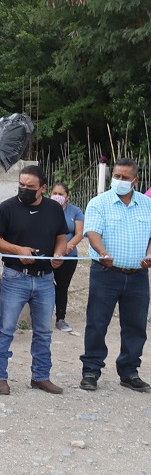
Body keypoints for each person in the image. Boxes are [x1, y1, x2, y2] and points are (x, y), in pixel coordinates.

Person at [0, 164, 67, 395]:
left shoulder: (54, 209)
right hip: (14, 278)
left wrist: (59, 254)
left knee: (43, 332)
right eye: (21, 185)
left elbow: (61, 237)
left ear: (42, 187)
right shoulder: (7, 208)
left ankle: (40, 377)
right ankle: (0, 378)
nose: (24, 189)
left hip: (45, 280)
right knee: (5, 330)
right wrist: (16, 249)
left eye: (29, 186)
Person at [79, 158, 151, 393]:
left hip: (138, 275)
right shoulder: (99, 203)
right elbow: (92, 232)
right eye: (116, 176)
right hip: (106, 272)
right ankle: (91, 370)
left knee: (136, 325)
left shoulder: (147, 204)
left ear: (135, 180)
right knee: (97, 323)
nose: (119, 181)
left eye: (124, 177)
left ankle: (129, 371)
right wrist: (102, 252)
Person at [49, 183, 84, 332]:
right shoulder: (46, 209)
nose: (57, 196)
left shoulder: (75, 211)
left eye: (61, 194)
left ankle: (60, 319)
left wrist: (66, 248)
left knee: (62, 287)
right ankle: (40, 318)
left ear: (67, 197)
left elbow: (79, 233)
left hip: (69, 257)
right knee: (45, 286)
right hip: (47, 256)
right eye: (54, 192)